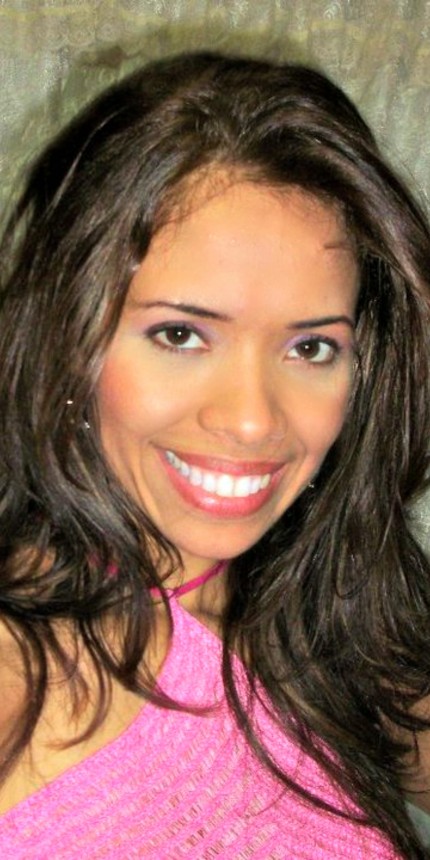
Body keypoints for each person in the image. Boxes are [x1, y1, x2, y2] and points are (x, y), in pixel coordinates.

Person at [0, 50, 429, 860]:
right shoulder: (18, 672)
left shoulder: (337, 621)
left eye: (310, 347)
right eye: (180, 334)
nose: (252, 420)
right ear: (66, 338)